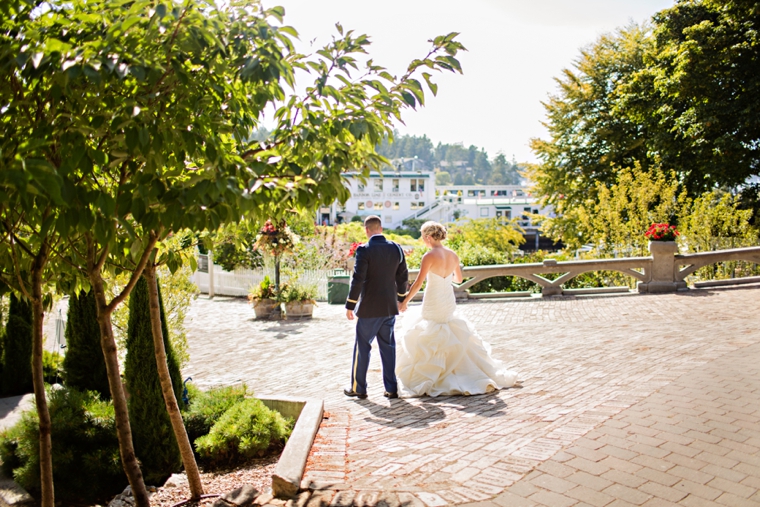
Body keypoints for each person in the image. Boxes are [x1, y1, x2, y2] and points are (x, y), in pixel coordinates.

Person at [397, 221, 519, 397]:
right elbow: (459, 279)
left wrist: (405, 301)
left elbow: (418, 283)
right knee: (449, 327)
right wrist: (445, 277)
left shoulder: (429, 256)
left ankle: (437, 373)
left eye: (423, 237)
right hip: (447, 298)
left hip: (433, 298)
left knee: (431, 328)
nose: (423, 240)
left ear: (429, 237)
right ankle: (454, 370)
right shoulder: (453, 255)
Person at [344, 215, 409, 399]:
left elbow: (358, 279)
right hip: (389, 307)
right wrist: (401, 299)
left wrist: (350, 304)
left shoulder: (364, 250)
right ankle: (391, 388)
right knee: (388, 348)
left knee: (362, 347)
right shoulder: (396, 248)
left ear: (367, 230)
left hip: (369, 309)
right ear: (381, 229)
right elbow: (403, 276)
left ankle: (359, 388)